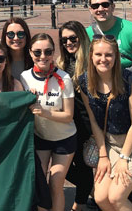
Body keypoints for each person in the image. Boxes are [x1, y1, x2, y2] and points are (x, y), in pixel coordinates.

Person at [79, 35, 132, 211]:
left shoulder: (131, 81)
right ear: (91, 56)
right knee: (100, 197)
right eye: (98, 54)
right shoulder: (85, 82)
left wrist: (124, 158)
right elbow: (94, 120)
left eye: (108, 55)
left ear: (116, 57)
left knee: (116, 197)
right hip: (112, 144)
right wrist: (102, 156)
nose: (103, 59)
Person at [20, 33, 76, 211]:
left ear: (53, 53)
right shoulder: (24, 78)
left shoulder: (64, 78)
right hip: (40, 137)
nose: (42, 56)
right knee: (39, 183)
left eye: (47, 52)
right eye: (37, 52)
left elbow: (68, 115)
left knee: (55, 182)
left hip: (64, 138)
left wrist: (44, 112)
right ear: (30, 53)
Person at [56, 21, 93, 211]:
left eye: (73, 38)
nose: (68, 43)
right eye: (64, 40)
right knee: (66, 166)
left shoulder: (90, 62)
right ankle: (93, 189)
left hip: (86, 122)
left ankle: (79, 204)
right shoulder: (62, 63)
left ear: (82, 38)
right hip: (67, 122)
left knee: (83, 164)